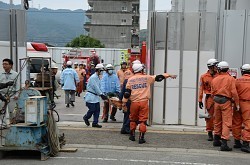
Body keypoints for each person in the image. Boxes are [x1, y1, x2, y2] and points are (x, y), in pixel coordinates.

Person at [124, 63, 177, 144]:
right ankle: (141, 138)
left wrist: (123, 103)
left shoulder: (130, 80)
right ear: (141, 70)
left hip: (134, 103)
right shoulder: (147, 78)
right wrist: (169, 75)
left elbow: (127, 93)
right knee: (143, 121)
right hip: (144, 102)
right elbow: (159, 77)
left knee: (133, 119)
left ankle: (132, 136)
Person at [211, 61, 239, 151]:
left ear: (219, 69)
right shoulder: (231, 79)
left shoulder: (215, 79)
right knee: (226, 122)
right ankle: (224, 143)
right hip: (226, 101)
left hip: (216, 101)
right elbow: (234, 93)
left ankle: (216, 139)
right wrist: (237, 104)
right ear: (227, 69)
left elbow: (212, 93)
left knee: (217, 120)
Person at [198, 59, 218, 141]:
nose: (217, 67)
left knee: (219, 116)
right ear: (211, 67)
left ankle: (218, 134)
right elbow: (201, 88)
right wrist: (200, 100)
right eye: (215, 66)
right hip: (209, 98)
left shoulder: (220, 75)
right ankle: (210, 133)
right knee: (209, 117)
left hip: (218, 97)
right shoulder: (203, 77)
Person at [83, 64, 108, 128]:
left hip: (96, 97)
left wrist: (103, 94)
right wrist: (101, 95)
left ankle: (95, 122)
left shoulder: (98, 77)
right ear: (98, 70)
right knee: (92, 109)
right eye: (101, 70)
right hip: (91, 96)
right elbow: (95, 87)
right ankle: (86, 117)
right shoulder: (93, 77)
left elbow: (100, 87)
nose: (102, 72)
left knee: (97, 110)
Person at [234, 64, 250, 153]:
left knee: (236, 122)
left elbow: (233, 91)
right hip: (247, 104)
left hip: (237, 103)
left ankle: (237, 141)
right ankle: (246, 143)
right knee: (247, 123)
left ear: (242, 71)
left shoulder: (237, 80)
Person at [0, 58, 19, 129]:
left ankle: (13, 123)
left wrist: (17, 94)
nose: (4, 65)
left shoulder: (15, 74)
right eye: (3, 64)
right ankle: (4, 124)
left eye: (6, 64)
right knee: (2, 110)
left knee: (12, 110)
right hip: (2, 95)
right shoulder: (1, 74)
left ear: (10, 65)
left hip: (12, 95)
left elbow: (18, 85)